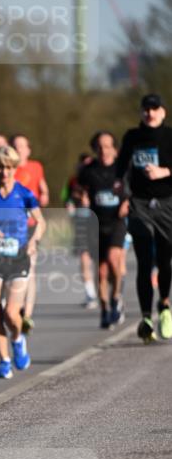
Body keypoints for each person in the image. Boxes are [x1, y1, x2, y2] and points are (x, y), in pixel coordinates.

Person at [0, 144, 46, 378]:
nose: (4, 172)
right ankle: (4, 361)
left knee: (11, 314)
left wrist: (34, 240)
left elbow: (41, 222)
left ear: (15, 168)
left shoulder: (24, 194)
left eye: (8, 167)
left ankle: (17, 338)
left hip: (18, 259)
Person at [115, 93, 172, 342]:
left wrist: (164, 172)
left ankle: (165, 305)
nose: (150, 113)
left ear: (163, 112)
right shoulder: (132, 137)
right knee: (144, 258)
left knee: (165, 257)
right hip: (138, 203)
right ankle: (146, 317)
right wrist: (119, 185)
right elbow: (120, 168)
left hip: (167, 203)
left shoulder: (170, 136)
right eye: (146, 109)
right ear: (141, 112)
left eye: (154, 109)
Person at [79, 132, 128, 329]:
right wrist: (82, 198)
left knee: (114, 259)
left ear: (114, 149)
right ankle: (105, 309)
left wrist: (127, 203)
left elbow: (134, 189)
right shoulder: (88, 170)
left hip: (117, 222)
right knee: (101, 271)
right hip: (97, 224)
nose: (104, 150)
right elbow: (79, 188)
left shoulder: (122, 169)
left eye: (108, 146)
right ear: (95, 149)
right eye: (100, 146)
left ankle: (116, 296)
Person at [9, 134, 50, 332]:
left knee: (30, 269)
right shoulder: (7, 169)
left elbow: (43, 189)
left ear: (28, 149)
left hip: (31, 223)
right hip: (10, 227)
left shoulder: (36, 167)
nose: (19, 150)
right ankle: (15, 305)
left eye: (22, 146)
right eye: (15, 146)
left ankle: (27, 314)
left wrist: (43, 197)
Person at [62, 152, 99, 309]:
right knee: (84, 257)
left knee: (100, 260)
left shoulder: (100, 178)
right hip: (81, 222)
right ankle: (90, 293)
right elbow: (66, 197)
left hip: (98, 223)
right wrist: (70, 205)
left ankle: (102, 289)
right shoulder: (73, 181)